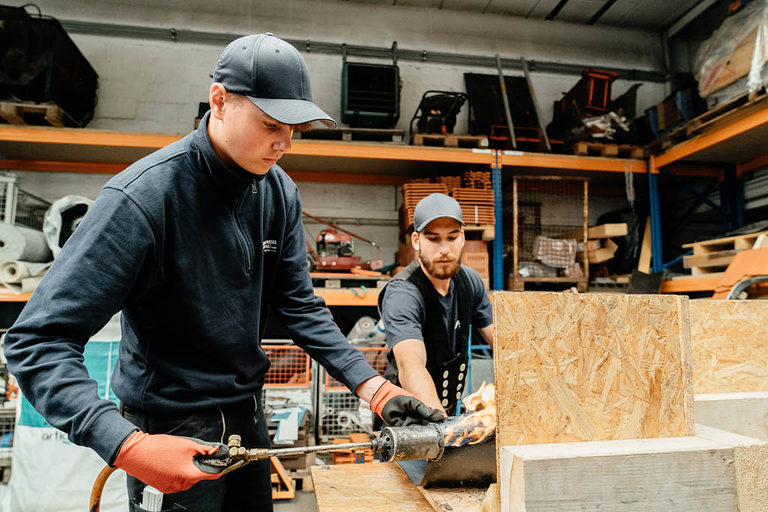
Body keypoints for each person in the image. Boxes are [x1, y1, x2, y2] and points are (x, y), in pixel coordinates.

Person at [3, 33, 442, 511]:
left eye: (294, 127)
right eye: (271, 123)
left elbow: (297, 305)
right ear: (220, 101)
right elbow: (37, 340)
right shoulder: (142, 201)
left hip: (247, 417)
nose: (285, 142)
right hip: (168, 428)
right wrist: (127, 445)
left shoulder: (278, 193)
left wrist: (375, 388)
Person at [379, 193, 494, 417]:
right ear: (416, 241)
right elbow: (411, 366)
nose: (444, 249)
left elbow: (503, 344)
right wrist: (442, 428)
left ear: (462, 238)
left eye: (451, 238)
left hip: (447, 413)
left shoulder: (470, 282)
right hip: (408, 422)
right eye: (433, 239)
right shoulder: (402, 294)